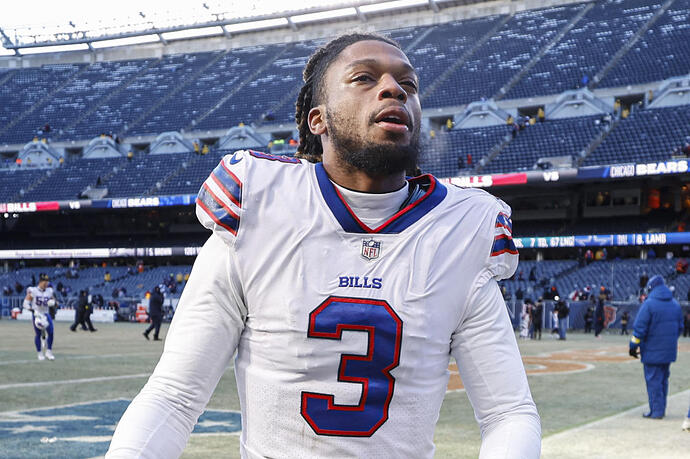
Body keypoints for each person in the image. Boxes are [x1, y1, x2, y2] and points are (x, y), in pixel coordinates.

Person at [107, 33, 541, 458]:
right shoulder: (259, 205)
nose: (394, 89)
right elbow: (174, 397)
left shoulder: (463, 229)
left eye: (408, 84)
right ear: (318, 120)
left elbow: (507, 412)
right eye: (364, 78)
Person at [629, 275, 683, 419]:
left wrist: (633, 346)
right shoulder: (675, 304)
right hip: (668, 351)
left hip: (651, 351)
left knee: (653, 381)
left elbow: (639, 329)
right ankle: (660, 409)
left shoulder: (649, 304)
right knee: (663, 380)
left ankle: (656, 411)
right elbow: (680, 328)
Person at [23, 273, 57, 361]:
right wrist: (33, 311)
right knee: (38, 334)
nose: (46, 283)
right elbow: (25, 304)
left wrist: (53, 302)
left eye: (47, 281)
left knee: (51, 332)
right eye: (44, 281)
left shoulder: (49, 290)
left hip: (46, 313)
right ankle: (39, 352)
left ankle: (49, 351)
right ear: (40, 281)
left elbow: (54, 301)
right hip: (37, 314)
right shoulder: (33, 291)